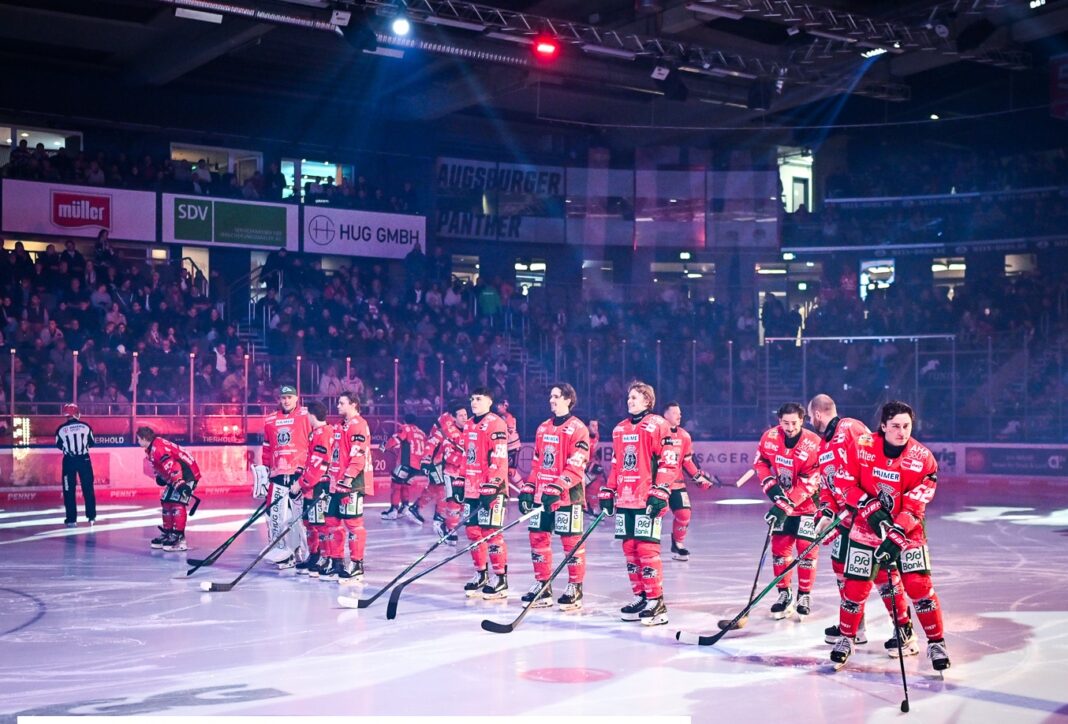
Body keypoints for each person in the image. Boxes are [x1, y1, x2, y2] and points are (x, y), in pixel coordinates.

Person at [829, 401, 951, 673]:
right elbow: (843, 481)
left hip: (908, 531)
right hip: (865, 528)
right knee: (855, 587)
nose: (902, 431)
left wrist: (896, 532)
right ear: (883, 426)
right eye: (895, 425)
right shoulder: (861, 445)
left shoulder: (923, 458)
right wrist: (870, 508)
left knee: (918, 585)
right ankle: (847, 638)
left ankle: (936, 642)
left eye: (906, 426)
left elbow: (917, 503)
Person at [808, 393, 905, 646]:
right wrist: (826, 512)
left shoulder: (850, 427)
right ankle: (854, 625)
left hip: (865, 518)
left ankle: (903, 630)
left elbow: (872, 462)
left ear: (818, 414)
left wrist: (866, 502)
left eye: (810, 417)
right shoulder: (822, 446)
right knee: (842, 571)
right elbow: (827, 488)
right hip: (842, 522)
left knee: (883, 575)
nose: (810, 422)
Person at [599, 381, 678, 626]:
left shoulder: (658, 425)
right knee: (630, 549)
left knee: (646, 550)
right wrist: (609, 490)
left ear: (647, 401)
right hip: (625, 498)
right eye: (629, 397)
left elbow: (668, 461)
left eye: (635, 397)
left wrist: (661, 490)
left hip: (647, 499)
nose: (629, 401)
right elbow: (616, 464)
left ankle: (656, 601)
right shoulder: (619, 429)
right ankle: (641, 596)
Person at [518, 383, 592, 610]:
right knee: (537, 538)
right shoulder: (542, 428)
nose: (551, 400)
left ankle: (575, 588)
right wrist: (529, 487)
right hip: (543, 495)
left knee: (571, 542)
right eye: (550, 396)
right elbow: (537, 463)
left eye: (556, 396)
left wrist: (557, 487)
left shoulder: (578, 428)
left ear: (568, 399)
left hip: (568, 495)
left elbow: (577, 465)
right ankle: (542, 586)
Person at [754, 402, 823, 619]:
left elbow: (810, 482)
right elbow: (761, 463)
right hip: (783, 502)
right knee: (780, 549)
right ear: (779, 421)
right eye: (786, 423)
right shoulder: (770, 437)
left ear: (802, 421)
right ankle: (784, 594)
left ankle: (804, 595)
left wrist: (785, 504)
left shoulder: (814, 444)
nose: (790, 427)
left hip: (808, 505)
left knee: (806, 550)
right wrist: (773, 491)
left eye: (794, 423)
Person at [459, 387, 510, 599]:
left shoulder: (496, 423)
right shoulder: (469, 424)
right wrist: (460, 481)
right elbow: (466, 456)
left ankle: (500, 578)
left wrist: (493, 485)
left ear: (489, 401)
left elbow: (499, 458)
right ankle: (481, 573)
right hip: (471, 488)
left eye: (479, 399)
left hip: (491, 489)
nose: (474, 402)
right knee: (473, 532)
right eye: (472, 398)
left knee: (491, 533)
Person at [317, 390, 374, 583]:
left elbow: (358, 455)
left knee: (353, 524)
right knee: (331, 521)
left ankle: (357, 565)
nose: (338, 406)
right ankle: (337, 560)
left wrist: (348, 479)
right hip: (335, 482)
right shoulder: (342, 426)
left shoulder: (359, 425)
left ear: (353, 404)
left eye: (342, 403)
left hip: (352, 483)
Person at [257, 385, 311, 569]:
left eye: (289, 397)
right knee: (275, 516)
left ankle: (304, 554)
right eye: (283, 397)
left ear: (297, 398)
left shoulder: (306, 415)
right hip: (278, 475)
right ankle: (281, 552)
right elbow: (266, 447)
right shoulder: (271, 419)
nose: (286, 400)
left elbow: (316, 441)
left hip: (299, 475)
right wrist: (264, 471)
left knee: (300, 518)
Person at [661, 402, 719, 562]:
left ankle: (678, 544)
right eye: (675, 413)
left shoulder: (684, 436)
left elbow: (687, 461)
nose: (679, 416)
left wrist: (698, 477)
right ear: (665, 415)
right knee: (653, 515)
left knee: (684, 513)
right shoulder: (655, 434)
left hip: (677, 483)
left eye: (680, 413)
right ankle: (648, 548)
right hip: (657, 484)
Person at [137, 426, 201, 552]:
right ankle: (169, 532)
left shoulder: (157, 448)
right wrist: (162, 477)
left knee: (177, 503)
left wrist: (180, 483)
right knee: (166, 502)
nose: (138, 441)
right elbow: (163, 466)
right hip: (177, 475)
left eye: (139, 439)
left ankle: (179, 537)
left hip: (187, 474)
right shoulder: (153, 446)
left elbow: (173, 465)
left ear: (144, 438)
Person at [417, 399, 467, 543]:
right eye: (461, 415)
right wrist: (426, 460)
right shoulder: (446, 430)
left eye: (466, 415)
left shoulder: (472, 430)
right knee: (452, 500)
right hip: (451, 471)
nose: (465, 418)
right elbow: (431, 444)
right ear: (453, 417)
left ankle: (446, 521)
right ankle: (450, 530)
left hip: (467, 473)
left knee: (464, 503)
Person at [295, 401, 334, 576]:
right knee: (309, 523)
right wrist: (301, 472)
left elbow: (319, 465)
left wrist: (301, 483)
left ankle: (326, 558)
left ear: (311, 415)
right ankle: (314, 554)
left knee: (320, 524)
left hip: (319, 486)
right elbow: (312, 461)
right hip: (312, 486)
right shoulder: (317, 433)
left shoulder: (324, 433)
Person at [380, 413, 429, 524]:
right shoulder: (421, 433)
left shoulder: (405, 428)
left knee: (396, 485)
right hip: (417, 466)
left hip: (406, 463)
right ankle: (405, 507)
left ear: (404, 420)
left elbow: (396, 440)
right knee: (405, 485)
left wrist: (385, 446)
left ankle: (393, 511)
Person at [56, 403, 96, 528]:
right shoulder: (86, 426)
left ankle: (71, 519)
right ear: (76, 414)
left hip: (69, 461)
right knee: (88, 489)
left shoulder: (61, 429)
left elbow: (59, 445)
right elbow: (92, 443)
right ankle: (91, 517)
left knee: (69, 490)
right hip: (84, 460)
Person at [495, 398, 523, 490]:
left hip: (512, 447)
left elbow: (509, 431)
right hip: (504, 447)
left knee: (511, 471)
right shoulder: (499, 417)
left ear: (505, 406)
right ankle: (504, 489)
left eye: (499, 405)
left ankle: (524, 490)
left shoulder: (508, 417)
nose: (497, 407)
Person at [583, 419, 605, 515]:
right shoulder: (583, 438)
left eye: (597, 426)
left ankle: (592, 505)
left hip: (589, 464)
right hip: (580, 466)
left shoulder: (596, 435)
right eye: (593, 426)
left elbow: (594, 452)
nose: (596, 428)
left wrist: (596, 460)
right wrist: (590, 466)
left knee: (598, 480)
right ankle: (584, 505)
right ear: (587, 427)